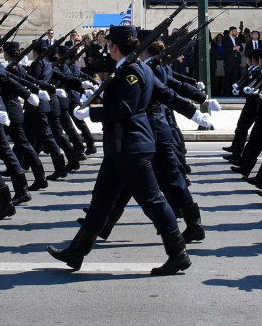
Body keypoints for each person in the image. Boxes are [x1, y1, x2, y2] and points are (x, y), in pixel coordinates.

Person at [47, 24, 191, 275]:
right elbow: (165, 93)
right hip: (120, 146)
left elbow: (126, 109)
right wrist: (195, 110)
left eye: (107, 44)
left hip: (131, 146)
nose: (106, 48)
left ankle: (178, 254)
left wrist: (92, 113)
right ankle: (77, 251)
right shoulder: (136, 69)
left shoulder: (131, 72)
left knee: (154, 201)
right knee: (101, 201)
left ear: (114, 46)